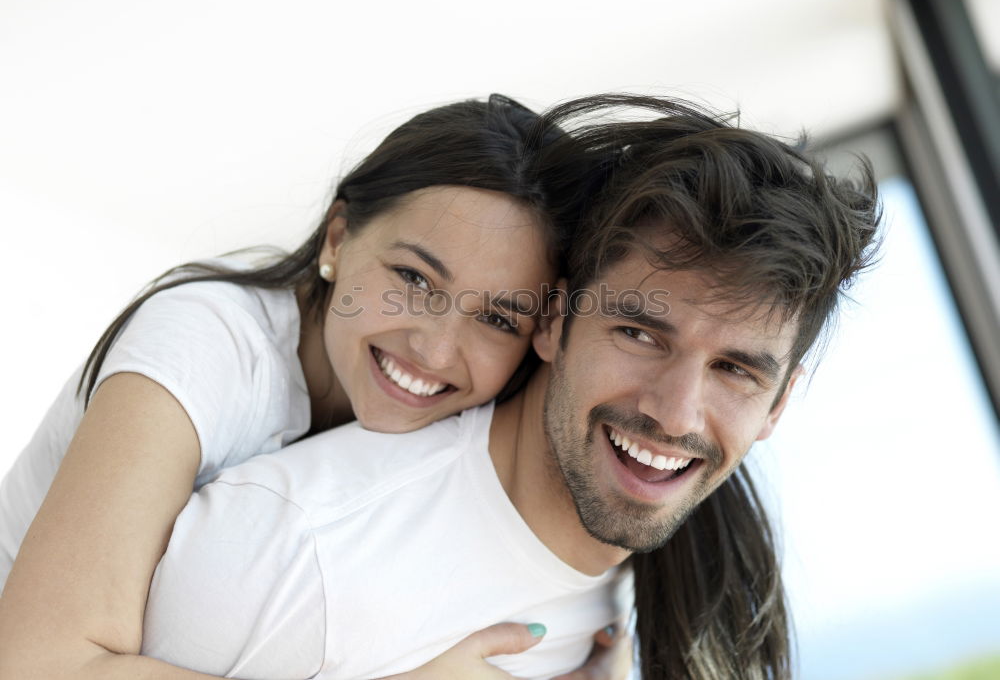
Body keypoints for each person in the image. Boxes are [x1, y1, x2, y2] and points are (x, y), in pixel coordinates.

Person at [82, 96, 880, 679]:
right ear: (557, 323)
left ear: (779, 405)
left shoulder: (649, 592)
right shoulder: (296, 539)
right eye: (639, 334)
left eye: (736, 370)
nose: (674, 413)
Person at [0, 95, 625, 678]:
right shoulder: (203, 343)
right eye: (413, 278)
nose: (435, 349)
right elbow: (45, 665)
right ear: (336, 238)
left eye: (496, 318)